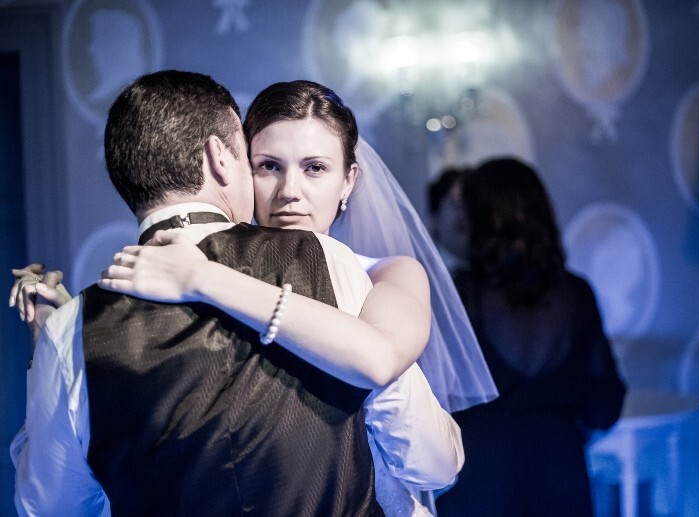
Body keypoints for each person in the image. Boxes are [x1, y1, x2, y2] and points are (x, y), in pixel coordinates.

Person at [10, 77, 484, 516]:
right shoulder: (119, 302)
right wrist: (60, 342)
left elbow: (428, 450)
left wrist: (71, 338)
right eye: (267, 166)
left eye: (315, 168)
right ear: (227, 161)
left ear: (349, 180)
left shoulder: (371, 273)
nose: (289, 192)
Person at [434, 158, 627, 517]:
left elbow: (433, 400)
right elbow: (604, 408)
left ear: (481, 220)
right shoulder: (577, 294)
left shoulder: (459, 295)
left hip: (481, 477)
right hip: (560, 475)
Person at [426, 167, 469, 277]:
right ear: (435, 216)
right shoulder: (423, 273)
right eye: (455, 205)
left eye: (467, 205)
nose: (464, 215)